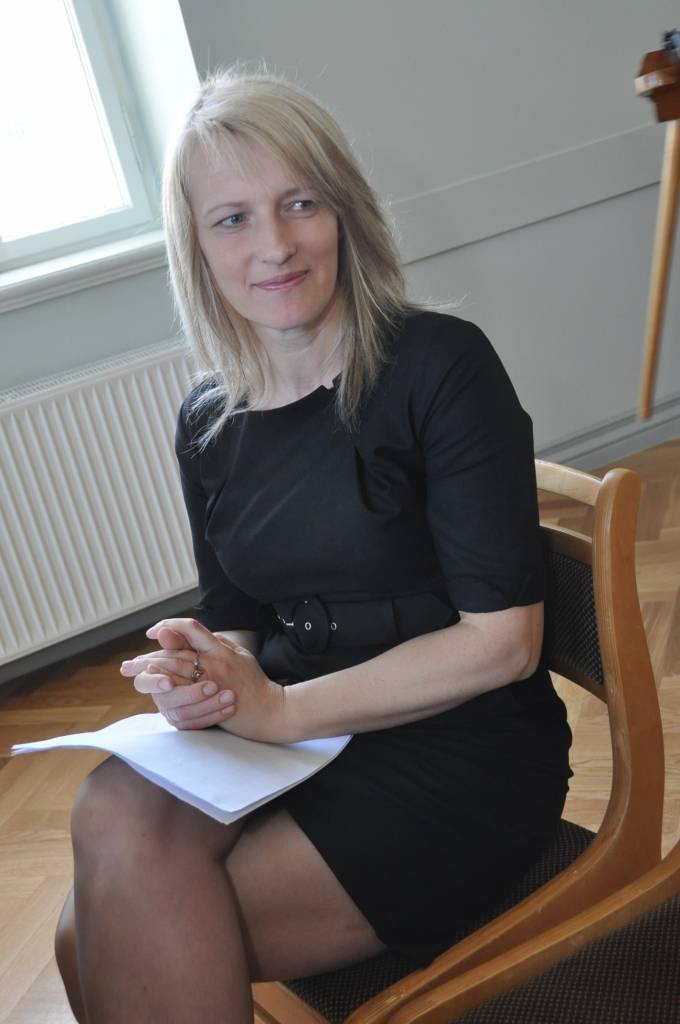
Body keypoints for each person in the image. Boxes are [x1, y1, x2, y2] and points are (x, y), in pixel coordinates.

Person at [54, 68, 572, 1023]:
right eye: (233, 219)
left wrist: (281, 710)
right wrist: (207, 677)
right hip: (294, 738)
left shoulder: (439, 366)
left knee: (101, 931)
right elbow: (238, 620)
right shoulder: (208, 416)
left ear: (345, 212)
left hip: (459, 754)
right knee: (107, 810)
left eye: (300, 203)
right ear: (196, 246)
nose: (276, 244)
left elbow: (505, 644)